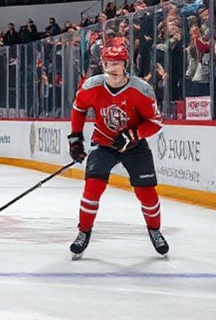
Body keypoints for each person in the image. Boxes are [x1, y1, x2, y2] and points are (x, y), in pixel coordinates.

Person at [67, 43, 168, 260]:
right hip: (103, 143)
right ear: (102, 64)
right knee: (92, 188)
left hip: (134, 146)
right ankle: (83, 233)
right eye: (108, 63)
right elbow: (78, 108)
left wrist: (132, 135)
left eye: (117, 63)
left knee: (147, 193)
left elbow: (155, 122)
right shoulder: (91, 86)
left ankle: (155, 230)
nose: (112, 67)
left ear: (125, 64)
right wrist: (75, 137)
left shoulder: (140, 90)